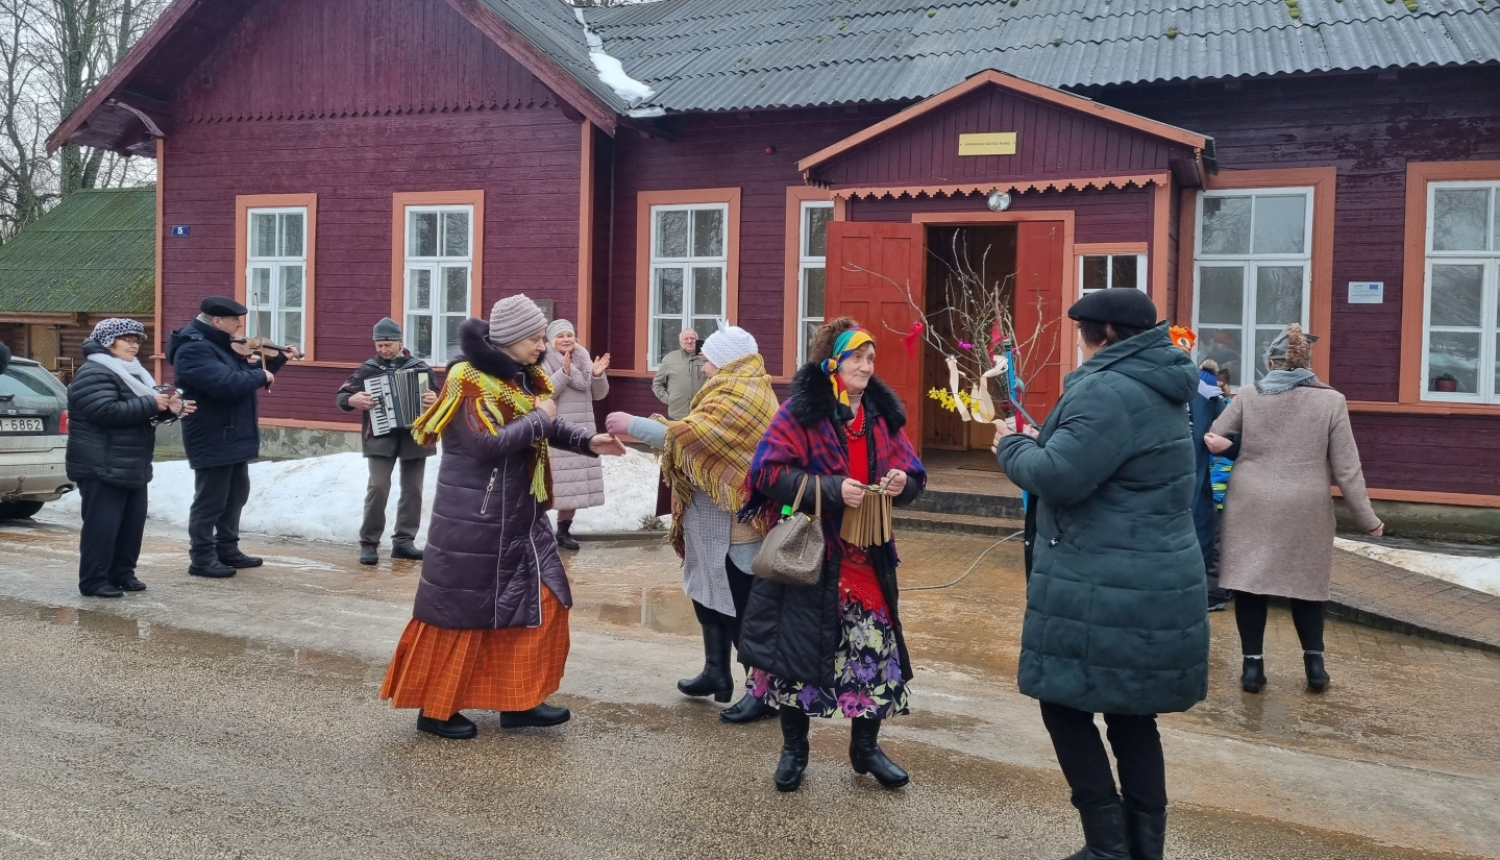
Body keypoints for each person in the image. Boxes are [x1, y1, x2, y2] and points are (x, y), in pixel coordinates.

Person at [995, 289, 1208, 860]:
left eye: (1083, 334)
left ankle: (1108, 847)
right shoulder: (1159, 383)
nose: (1080, 346)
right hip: (1150, 575)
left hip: (1107, 581)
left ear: (1105, 335)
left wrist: (1011, 444)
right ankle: (1142, 850)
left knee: (1063, 704)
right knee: (1132, 717)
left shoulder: (1108, 389)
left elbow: (1058, 474)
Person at [379, 295, 627, 740]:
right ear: (511, 340)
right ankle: (436, 711)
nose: (541, 346)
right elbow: (484, 445)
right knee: (462, 616)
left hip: (520, 513)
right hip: (477, 517)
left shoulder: (519, 377)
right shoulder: (466, 379)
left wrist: (589, 441)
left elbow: (545, 423)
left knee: (543, 603)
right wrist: (538, 418)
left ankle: (520, 700)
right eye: (535, 339)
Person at [739, 319, 926, 792]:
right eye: (855, 357)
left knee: (873, 655)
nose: (865, 366)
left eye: (870, 358)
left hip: (868, 557)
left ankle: (865, 751)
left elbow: (914, 470)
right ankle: (794, 751)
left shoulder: (882, 415)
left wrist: (904, 481)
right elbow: (764, 473)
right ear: (833, 362)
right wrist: (830, 489)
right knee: (796, 658)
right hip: (812, 557)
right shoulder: (800, 413)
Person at [604, 325, 780, 724]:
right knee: (705, 594)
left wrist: (634, 425)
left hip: (736, 525)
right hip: (708, 521)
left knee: (741, 608)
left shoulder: (743, 393)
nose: (702, 364)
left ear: (729, 358)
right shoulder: (731, 386)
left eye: (709, 357)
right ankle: (716, 672)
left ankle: (764, 691)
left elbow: (690, 438)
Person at [1205, 323, 1383, 696]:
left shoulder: (1249, 396)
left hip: (1250, 500)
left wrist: (1241, 449)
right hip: (1306, 503)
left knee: (1250, 586)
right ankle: (1315, 667)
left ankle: (1253, 670)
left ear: (1271, 361)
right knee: (1306, 586)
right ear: (1307, 361)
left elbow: (1214, 436)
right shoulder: (1331, 400)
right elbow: (1347, 467)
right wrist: (1368, 520)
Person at [166, 296, 295, 579]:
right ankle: (201, 557)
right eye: (235, 321)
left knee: (236, 494)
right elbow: (226, 384)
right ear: (216, 322)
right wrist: (261, 376)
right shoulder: (193, 349)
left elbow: (246, 374)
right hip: (212, 434)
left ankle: (227, 548)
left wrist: (277, 361)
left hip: (232, 433)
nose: (240, 326)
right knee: (210, 500)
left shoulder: (219, 345)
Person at [65, 319, 194, 597]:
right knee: (103, 527)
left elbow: (138, 411)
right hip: (101, 463)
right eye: (127, 340)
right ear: (108, 342)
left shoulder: (133, 373)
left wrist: (169, 409)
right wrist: (152, 403)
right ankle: (94, 580)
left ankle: (122, 574)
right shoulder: (94, 373)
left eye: (137, 340)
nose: (134, 345)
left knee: (130, 525)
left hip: (130, 463)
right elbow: (105, 411)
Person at [336, 317, 438, 565]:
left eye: (387, 345)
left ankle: (404, 542)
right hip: (380, 436)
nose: (383, 350)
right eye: (379, 345)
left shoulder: (420, 367)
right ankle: (369, 542)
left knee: (413, 490)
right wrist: (353, 400)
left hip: (415, 435)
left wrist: (433, 400)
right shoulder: (369, 369)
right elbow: (342, 396)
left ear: (400, 342)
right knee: (378, 487)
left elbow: (440, 399)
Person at [540, 319, 609, 551]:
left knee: (574, 486)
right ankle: (537, 530)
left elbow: (599, 395)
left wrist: (598, 376)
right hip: (556, 431)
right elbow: (543, 394)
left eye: (569, 335)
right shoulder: (543, 359)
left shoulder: (583, 356)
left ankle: (563, 531)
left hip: (582, 430)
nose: (566, 339)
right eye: (560, 336)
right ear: (551, 340)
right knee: (553, 484)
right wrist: (563, 373)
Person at [1186, 355, 1235, 613]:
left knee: (1214, 543)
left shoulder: (1215, 410)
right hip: (1213, 491)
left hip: (1215, 492)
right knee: (1213, 542)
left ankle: (1215, 594)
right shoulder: (1214, 406)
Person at [651, 328, 706, 421]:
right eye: (686, 339)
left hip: (701, 412)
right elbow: (657, 384)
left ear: (697, 341)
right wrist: (669, 399)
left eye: (692, 338)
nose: (689, 341)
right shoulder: (670, 359)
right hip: (677, 414)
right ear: (680, 342)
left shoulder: (706, 358)